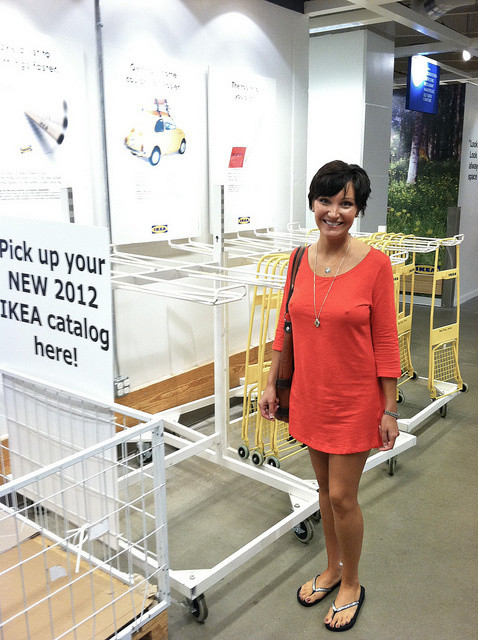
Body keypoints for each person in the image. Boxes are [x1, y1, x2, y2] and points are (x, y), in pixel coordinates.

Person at [258, 160, 401, 632]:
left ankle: (352, 583)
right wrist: (270, 383)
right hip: (309, 395)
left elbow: (386, 341)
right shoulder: (298, 260)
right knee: (322, 490)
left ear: (358, 210)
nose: (334, 212)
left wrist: (389, 408)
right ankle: (333, 567)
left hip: (355, 401)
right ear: (313, 204)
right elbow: (285, 328)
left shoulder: (376, 265)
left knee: (342, 496)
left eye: (346, 203)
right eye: (326, 201)